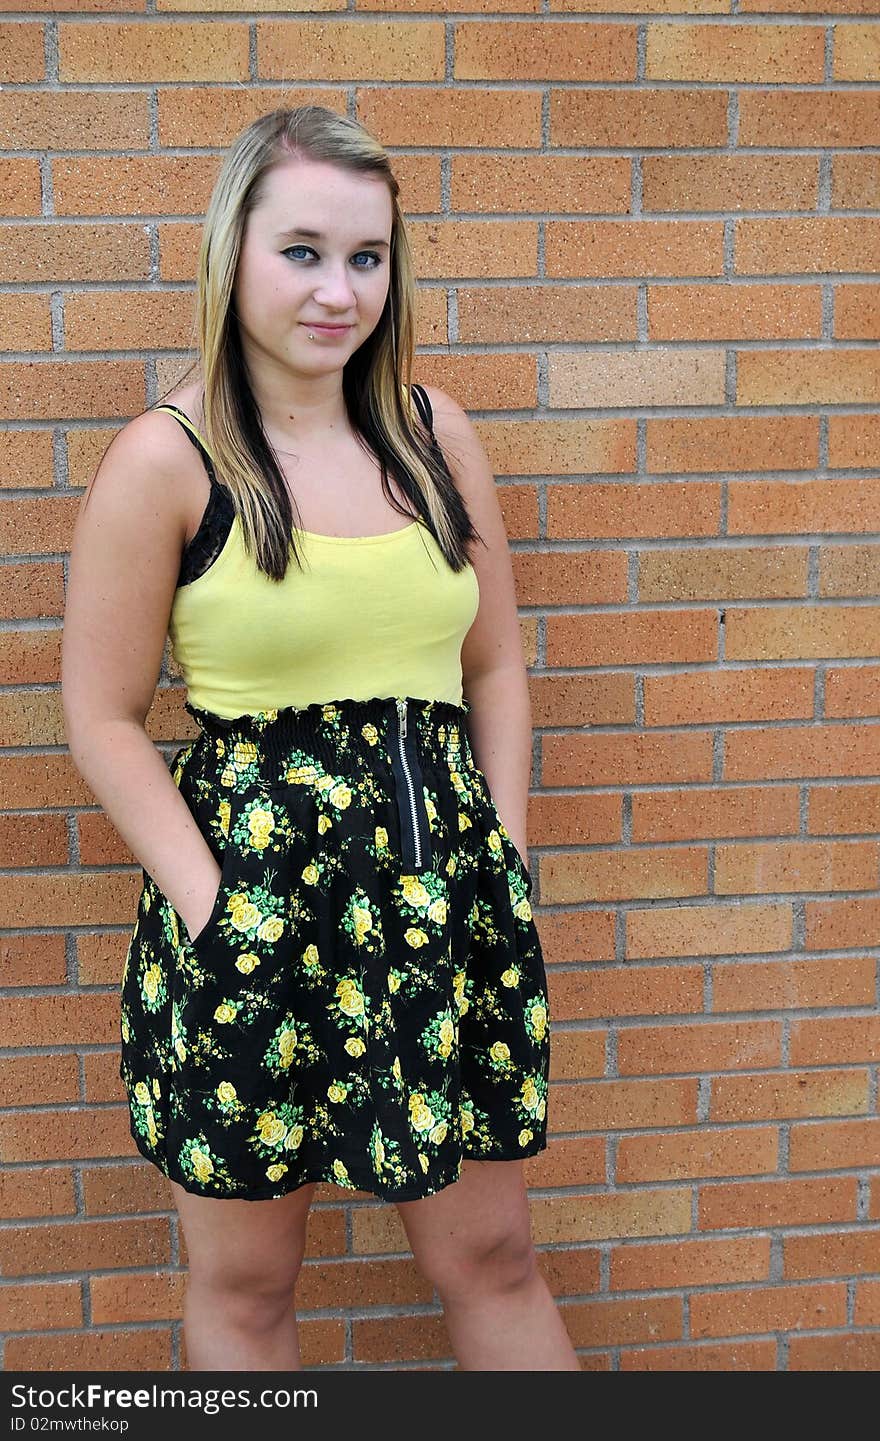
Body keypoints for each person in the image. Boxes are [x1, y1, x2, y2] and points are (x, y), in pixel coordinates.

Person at [61, 105, 578, 1373]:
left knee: (494, 1257)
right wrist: (211, 906)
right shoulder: (167, 462)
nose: (338, 290)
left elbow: (494, 661)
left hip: (442, 900)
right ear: (231, 253)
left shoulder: (432, 431)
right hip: (252, 912)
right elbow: (100, 713)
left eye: (367, 255)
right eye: (301, 252)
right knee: (248, 1288)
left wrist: (498, 851)